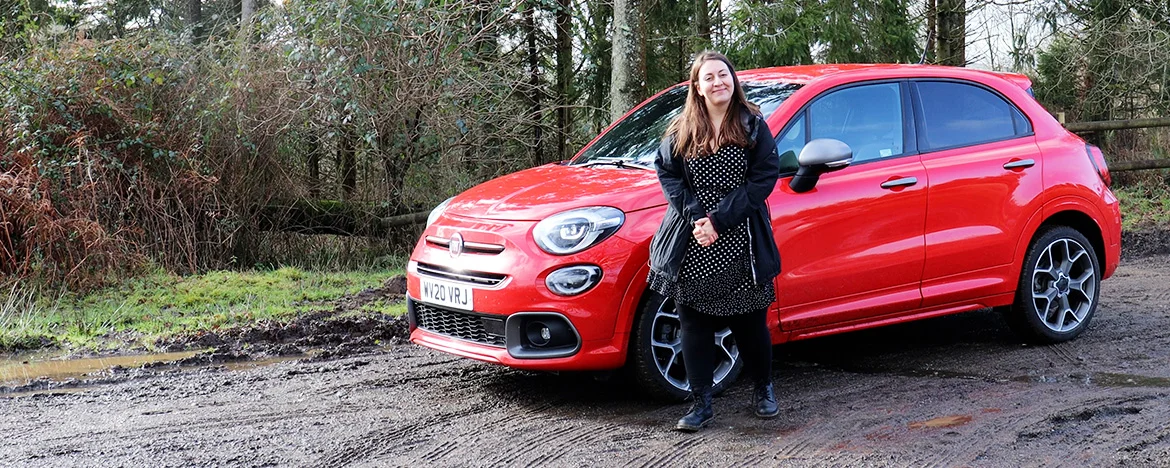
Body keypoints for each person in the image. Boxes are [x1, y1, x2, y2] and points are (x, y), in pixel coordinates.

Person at [646, 51, 782, 432]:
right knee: (693, 323)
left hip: (741, 235)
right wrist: (697, 218)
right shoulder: (681, 128)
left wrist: (720, 221)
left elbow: (764, 177)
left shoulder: (752, 124)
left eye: (724, 75)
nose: (718, 82)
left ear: (733, 80)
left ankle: (763, 390)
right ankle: (701, 403)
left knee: (750, 322)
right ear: (697, 86)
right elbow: (668, 173)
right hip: (692, 236)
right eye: (710, 77)